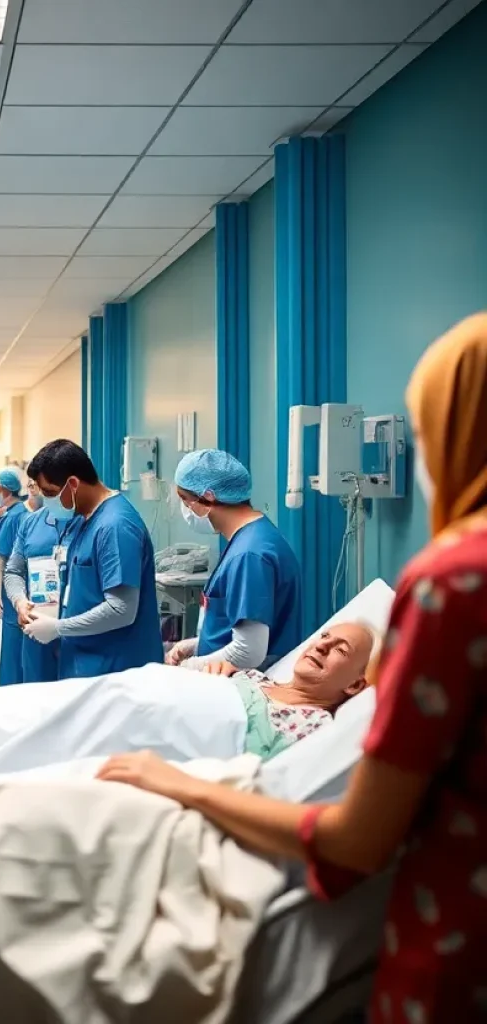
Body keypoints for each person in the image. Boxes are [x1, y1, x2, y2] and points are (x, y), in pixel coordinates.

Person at [98, 313, 487, 1023]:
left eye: (425, 436)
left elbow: (354, 840)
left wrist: (178, 782)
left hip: (457, 941)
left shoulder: (459, 580)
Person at [23, 440, 164, 678]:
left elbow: (121, 609)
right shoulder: (84, 519)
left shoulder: (115, 526)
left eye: (49, 493)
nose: (47, 503)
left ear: (73, 484)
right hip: (86, 661)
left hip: (114, 668)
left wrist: (58, 628)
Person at [166, 449, 302, 671]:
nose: (186, 509)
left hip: (245, 685)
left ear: (208, 496)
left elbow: (248, 651)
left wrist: (188, 669)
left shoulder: (250, 555)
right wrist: (196, 645)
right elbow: (236, 629)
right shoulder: (254, 537)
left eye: (185, 499)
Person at [198, 622, 375, 758]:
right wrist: (217, 673)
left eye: (340, 650)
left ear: (354, 685)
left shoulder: (314, 725)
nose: (321, 646)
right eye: (324, 636)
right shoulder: (254, 677)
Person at [4, 491, 83, 684]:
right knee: (37, 697)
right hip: (37, 625)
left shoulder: (89, 520)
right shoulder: (31, 523)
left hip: (79, 629)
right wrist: (19, 600)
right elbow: (13, 571)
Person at [0, 468, 29, 684]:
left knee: (13, 652)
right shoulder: (12, 514)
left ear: (3, 488)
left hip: (13, 592)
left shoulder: (15, 517)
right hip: (16, 590)